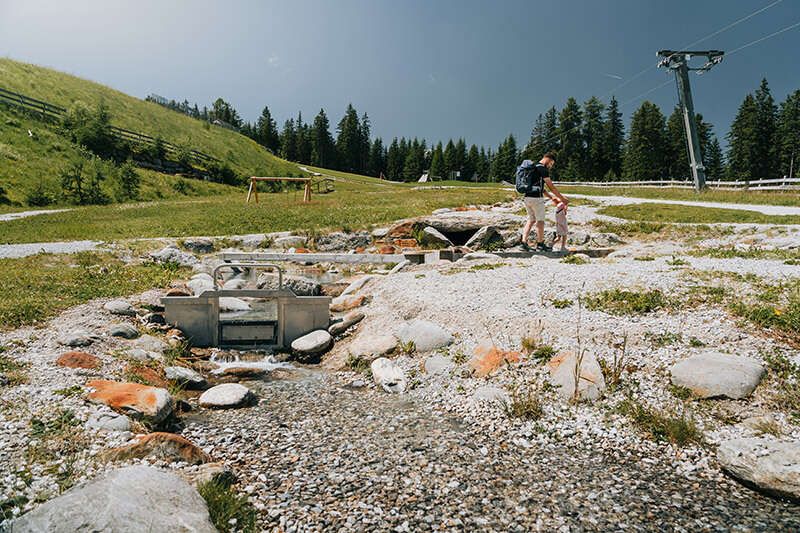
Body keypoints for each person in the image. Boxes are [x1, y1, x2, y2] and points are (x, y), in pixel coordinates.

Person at [521, 152, 569, 251]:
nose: (550, 166)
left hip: (527, 197)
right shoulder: (542, 169)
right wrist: (562, 198)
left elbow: (542, 188)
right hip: (537, 199)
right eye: (551, 164)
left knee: (531, 220)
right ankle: (540, 244)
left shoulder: (533, 168)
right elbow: (551, 186)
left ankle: (523, 243)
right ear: (548, 160)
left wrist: (551, 198)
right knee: (540, 221)